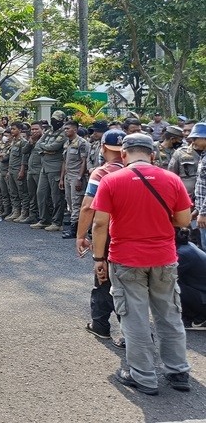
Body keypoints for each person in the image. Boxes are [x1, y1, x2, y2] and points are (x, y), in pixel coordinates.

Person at [91, 132, 192, 395]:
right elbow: (183, 220)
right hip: (164, 257)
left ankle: (144, 376)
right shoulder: (172, 179)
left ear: (123, 154)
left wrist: (99, 259)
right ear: (153, 155)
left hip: (126, 259)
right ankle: (178, 371)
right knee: (169, 314)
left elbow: (99, 224)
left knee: (134, 318)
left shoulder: (111, 180)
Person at [76, 129, 126, 346]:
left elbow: (88, 207)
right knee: (133, 286)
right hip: (135, 235)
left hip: (107, 234)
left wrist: (80, 235)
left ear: (104, 148)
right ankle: (131, 332)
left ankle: (102, 325)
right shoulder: (138, 171)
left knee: (103, 277)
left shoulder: (102, 173)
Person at [34, 111, 66, 231]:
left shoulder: (64, 133)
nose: (54, 121)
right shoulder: (49, 131)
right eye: (53, 119)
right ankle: (44, 220)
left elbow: (54, 147)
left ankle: (57, 222)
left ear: (62, 120)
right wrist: (46, 150)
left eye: (57, 120)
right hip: (45, 166)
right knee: (41, 193)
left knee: (56, 196)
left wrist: (46, 148)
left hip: (55, 168)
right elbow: (37, 145)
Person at [60, 120, 89, 239]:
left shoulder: (82, 143)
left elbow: (84, 162)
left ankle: (75, 230)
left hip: (76, 176)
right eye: (65, 128)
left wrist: (79, 178)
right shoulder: (67, 143)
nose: (65, 130)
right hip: (68, 176)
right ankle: (75, 226)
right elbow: (64, 162)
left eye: (68, 128)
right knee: (70, 202)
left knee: (76, 202)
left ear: (75, 130)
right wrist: (62, 178)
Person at [174, 228, 206, 330]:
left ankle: (197, 318)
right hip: (201, 293)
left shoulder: (181, 253)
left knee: (168, 284)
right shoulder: (188, 246)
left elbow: (162, 279)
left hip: (202, 299)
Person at [6, 121, 28, 222]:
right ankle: (16, 211)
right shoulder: (13, 141)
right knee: (13, 192)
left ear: (20, 130)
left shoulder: (23, 142)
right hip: (11, 170)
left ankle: (24, 213)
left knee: (22, 192)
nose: (12, 131)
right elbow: (11, 157)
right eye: (11, 129)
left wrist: (22, 170)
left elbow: (24, 158)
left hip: (18, 170)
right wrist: (8, 170)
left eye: (14, 129)